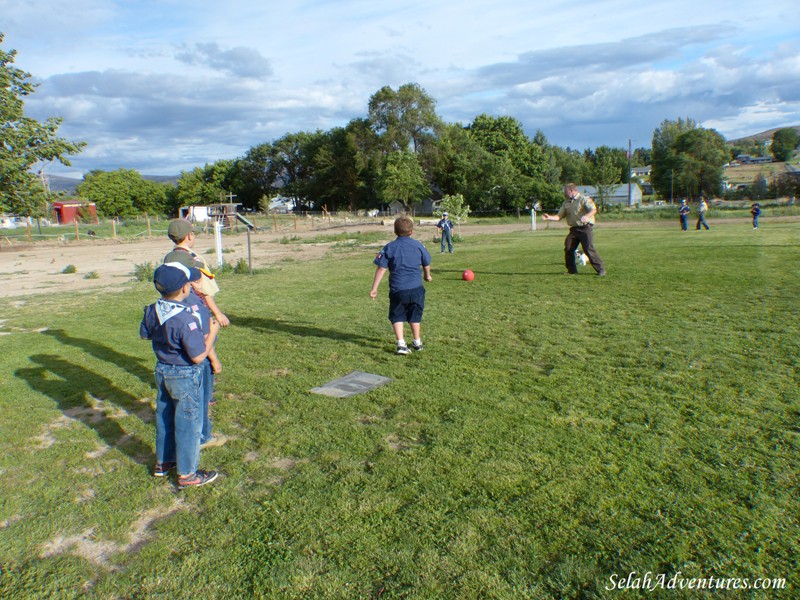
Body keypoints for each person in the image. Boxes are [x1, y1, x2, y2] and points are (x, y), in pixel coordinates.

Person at [140, 262, 221, 489]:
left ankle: (163, 462)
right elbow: (197, 356)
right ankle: (187, 474)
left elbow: (145, 334)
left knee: (165, 416)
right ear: (185, 288)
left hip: (162, 370)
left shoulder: (151, 310)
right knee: (188, 423)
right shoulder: (186, 319)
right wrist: (212, 333)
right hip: (185, 375)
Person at [370, 216, 432, 354]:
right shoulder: (418, 245)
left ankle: (401, 344)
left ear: (395, 231)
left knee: (397, 315)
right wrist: (427, 275)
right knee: (415, 315)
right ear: (412, 231)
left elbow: (381, 268)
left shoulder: (389, 247)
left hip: (398, 290)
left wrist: (374, 288)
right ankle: (417, 342)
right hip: (416, 289)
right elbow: (426, 262)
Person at [181, 266, 227, 449]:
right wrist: (214, 359)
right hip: (198, 362)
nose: (202, 284)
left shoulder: (173, 302)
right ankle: (203, 436)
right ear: (188, 284)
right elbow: (202, 342)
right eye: (198, 280)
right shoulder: (194, 303)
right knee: (200, 401)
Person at [164, 219, 230, 327]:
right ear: (190, 235)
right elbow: (203, 289)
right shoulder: (193, 259)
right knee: (203, 341)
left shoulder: (169, 258)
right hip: (196, 307)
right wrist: (218, 313)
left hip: (173, 309)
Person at [541, 183, 606, 276]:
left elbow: (593, 210)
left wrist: (587, 216)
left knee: (588, 248)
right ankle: (571, 271)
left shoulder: (583, 199)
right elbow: (559, 216)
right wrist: (549, 217)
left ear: (571, 190)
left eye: (565, 192)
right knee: (568, 248)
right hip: (574, 229)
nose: (564, 194)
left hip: (585, 228)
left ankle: (600, 270)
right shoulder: (566, 203)